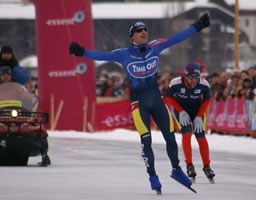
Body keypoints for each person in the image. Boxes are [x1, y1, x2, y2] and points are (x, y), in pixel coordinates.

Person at [69, 13, 210, 193]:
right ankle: (152, 175)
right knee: (146, 140)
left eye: (145, 29)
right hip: (138, 102)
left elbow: (176, 38)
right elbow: (100, 55)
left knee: (170, 135)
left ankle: (176, 169)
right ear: (132, 36)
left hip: (156, 99)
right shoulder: (123, 54)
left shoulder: (155, 46)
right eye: (139, 30)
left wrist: (197, 26)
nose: (144, 32)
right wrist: (82, 52)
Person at [165, 62, 215, 183]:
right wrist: (180, 111)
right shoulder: (176, 83)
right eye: (190, 77)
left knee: (201, 137)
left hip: (196, 111)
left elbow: (207, 99)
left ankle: (207, 166)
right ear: (185, 76)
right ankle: (189, 165)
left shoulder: (204, 85)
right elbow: (169, 97)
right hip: (182, 112)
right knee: (186, 134)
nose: (193, 80)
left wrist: (199, 116)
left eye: (196, 77)